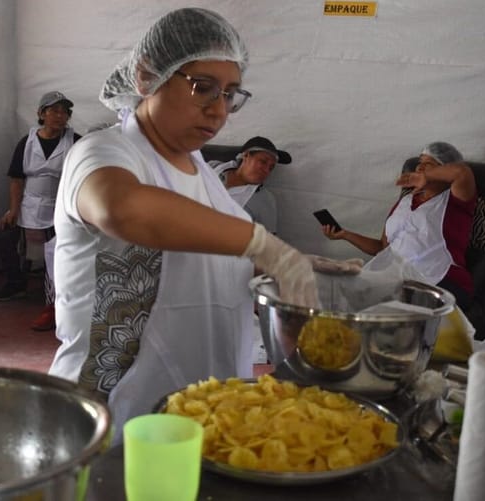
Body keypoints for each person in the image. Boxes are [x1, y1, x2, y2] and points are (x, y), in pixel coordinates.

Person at [47, 7, 318, 439]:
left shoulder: (203, 173)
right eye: (203, 87)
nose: (218, 110)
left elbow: (217, 261)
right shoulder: (105, 152)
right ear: (145, 76)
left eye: (230, 94)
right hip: (116, 424)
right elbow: (123, 208)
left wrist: (304, 271)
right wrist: (264, 245)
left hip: (206, 414)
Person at [321, 141, 477, 310]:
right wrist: (345, 234)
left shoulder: (456, 199)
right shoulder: (405, 202)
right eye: (419, 163)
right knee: (334, 295)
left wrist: (426, 177)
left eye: (429, 164)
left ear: (444, 171)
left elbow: (462, 172)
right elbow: (383, 249)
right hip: (398, 279)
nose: (419, 168)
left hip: (440, 281)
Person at [0, 91, 82, 332]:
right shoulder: (27, 141)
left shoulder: (75, 141)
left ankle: (54, 300)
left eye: (64, 111)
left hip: (60, 207)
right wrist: (13, 210)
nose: (59, 115)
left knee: (56, 249)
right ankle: (15, 282)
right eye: (53, 110)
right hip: (28, 205)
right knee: (5, 233)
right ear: (41, 114)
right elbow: (16, 180)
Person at [211, 136, 292, 233]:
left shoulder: (263, 199)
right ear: (246, 156)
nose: (266, 170)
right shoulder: (212, 168)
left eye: (271, 167)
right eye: (263, 162)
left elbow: (266, 242)